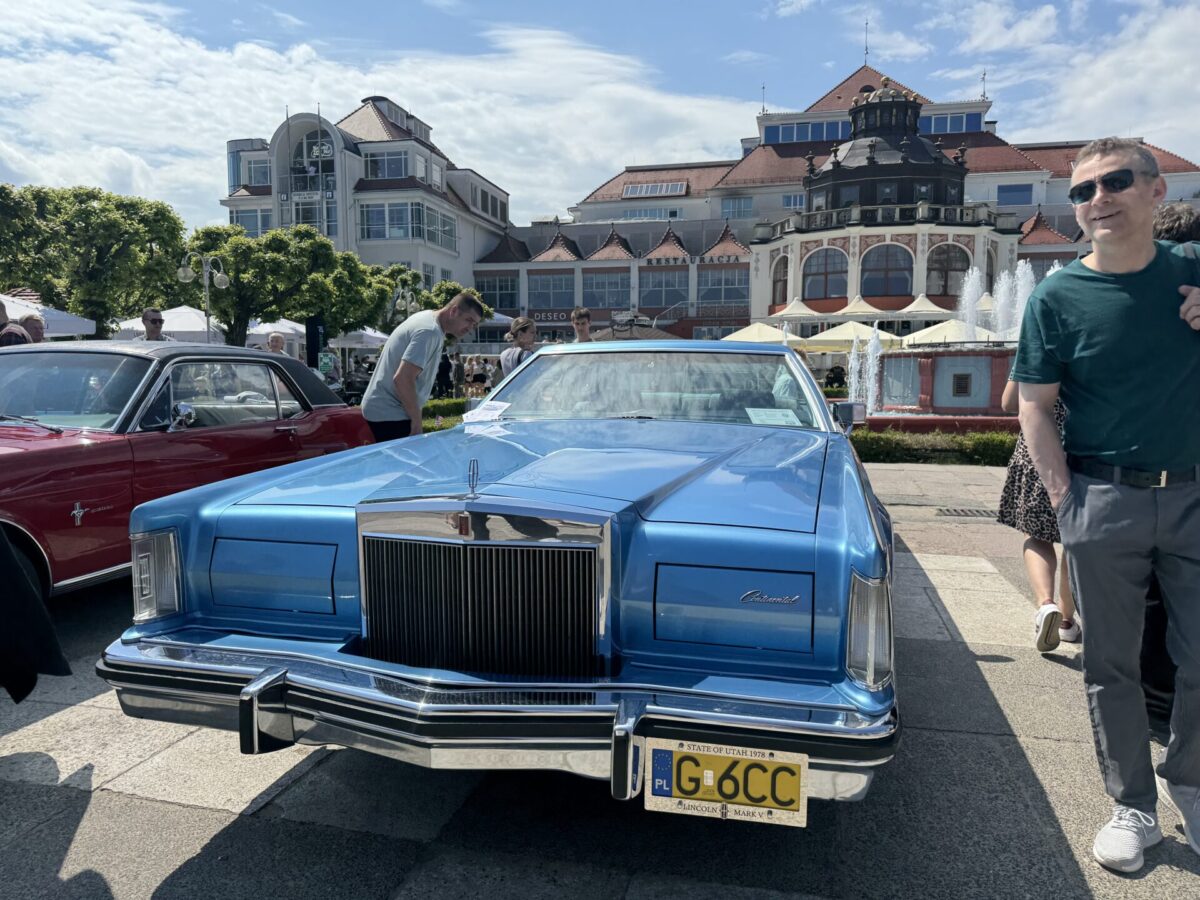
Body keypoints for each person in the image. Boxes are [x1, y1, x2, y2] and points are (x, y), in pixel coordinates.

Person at [1013, 137, 1200, 873]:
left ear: (1156, 192)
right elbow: (1034, 406)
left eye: (1115, 182)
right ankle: (1133, 805)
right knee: (1109, 665)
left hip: (1193, 491)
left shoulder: (1192, 270)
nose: (1098, 200)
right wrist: (1067, 501)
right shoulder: (1056, 297)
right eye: (1083, 191)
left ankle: (1191, 782)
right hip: (1102, 498)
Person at [998, 380, 1078, 650]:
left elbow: (1008, 403)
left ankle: (1046, 605)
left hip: (1038, 455)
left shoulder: (1037, 353)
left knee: (1036, 537)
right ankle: (1066, 621)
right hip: (1081, 455)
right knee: (1074, 541)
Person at [360, 292, 483, 442]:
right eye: (468, 320)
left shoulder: (426, 318)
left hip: (383, 410)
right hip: (392, 413)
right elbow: (403, 379)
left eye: (474, 324)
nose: (470, 328)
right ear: (454, 311)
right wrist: (417, 422)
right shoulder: (429, 332)